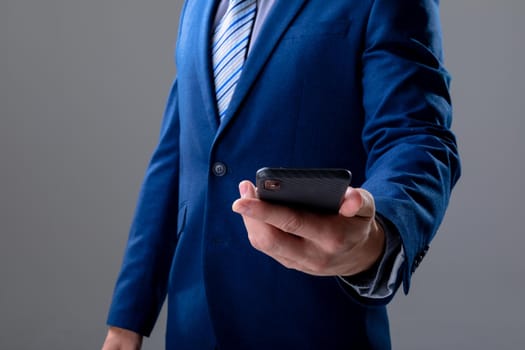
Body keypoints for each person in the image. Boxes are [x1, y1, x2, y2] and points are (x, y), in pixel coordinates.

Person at [102, 0, 461, 349]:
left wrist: (376, 235)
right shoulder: (196, 5)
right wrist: (127, 321)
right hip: (193, 326)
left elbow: (415, 135)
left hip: (311, 324)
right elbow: (177, 157)